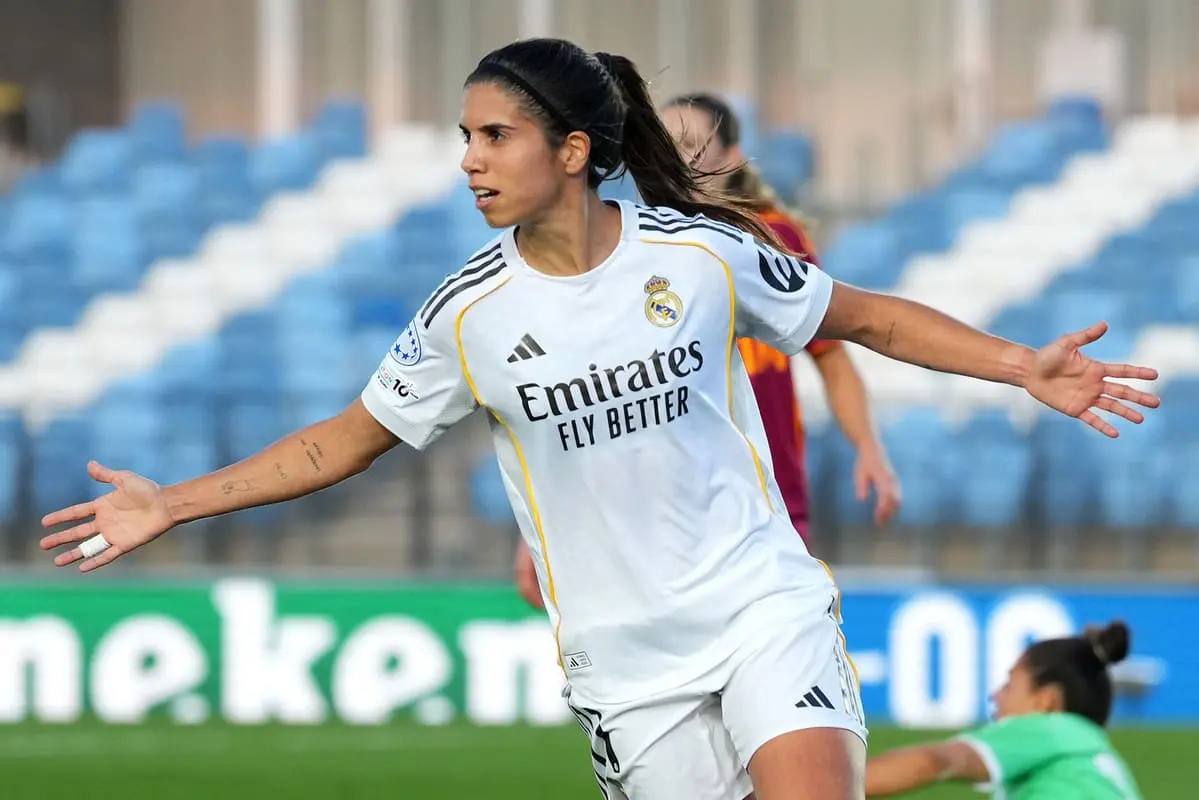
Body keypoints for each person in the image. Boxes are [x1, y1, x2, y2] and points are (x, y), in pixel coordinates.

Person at [40, 38, 1159, 800]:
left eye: (493, 136)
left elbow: (860, 318)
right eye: (464, 137)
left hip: (759, 602)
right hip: (625, 664)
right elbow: (343, 439)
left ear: (571, 151)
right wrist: (171, 502)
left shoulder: (705, 252)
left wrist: (1022, 365)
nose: (468, 160)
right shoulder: (465, 314)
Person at [514, 91, 902, 610]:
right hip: (658, 510)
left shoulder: (770, 237)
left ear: (732, 156)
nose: (677, 157)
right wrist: (544, 519)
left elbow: (831, 355)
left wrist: (869, 447)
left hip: (765, 504)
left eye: (692, 145)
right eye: (665, 144)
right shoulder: (627, 248)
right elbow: (590, 392)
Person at [865, 621, 1142, 799]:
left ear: (1044, 702)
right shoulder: (1098, 764)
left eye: (1010, 685)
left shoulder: (1049, 731)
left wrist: (831, 787)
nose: (995, 696)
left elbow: (936, 762)